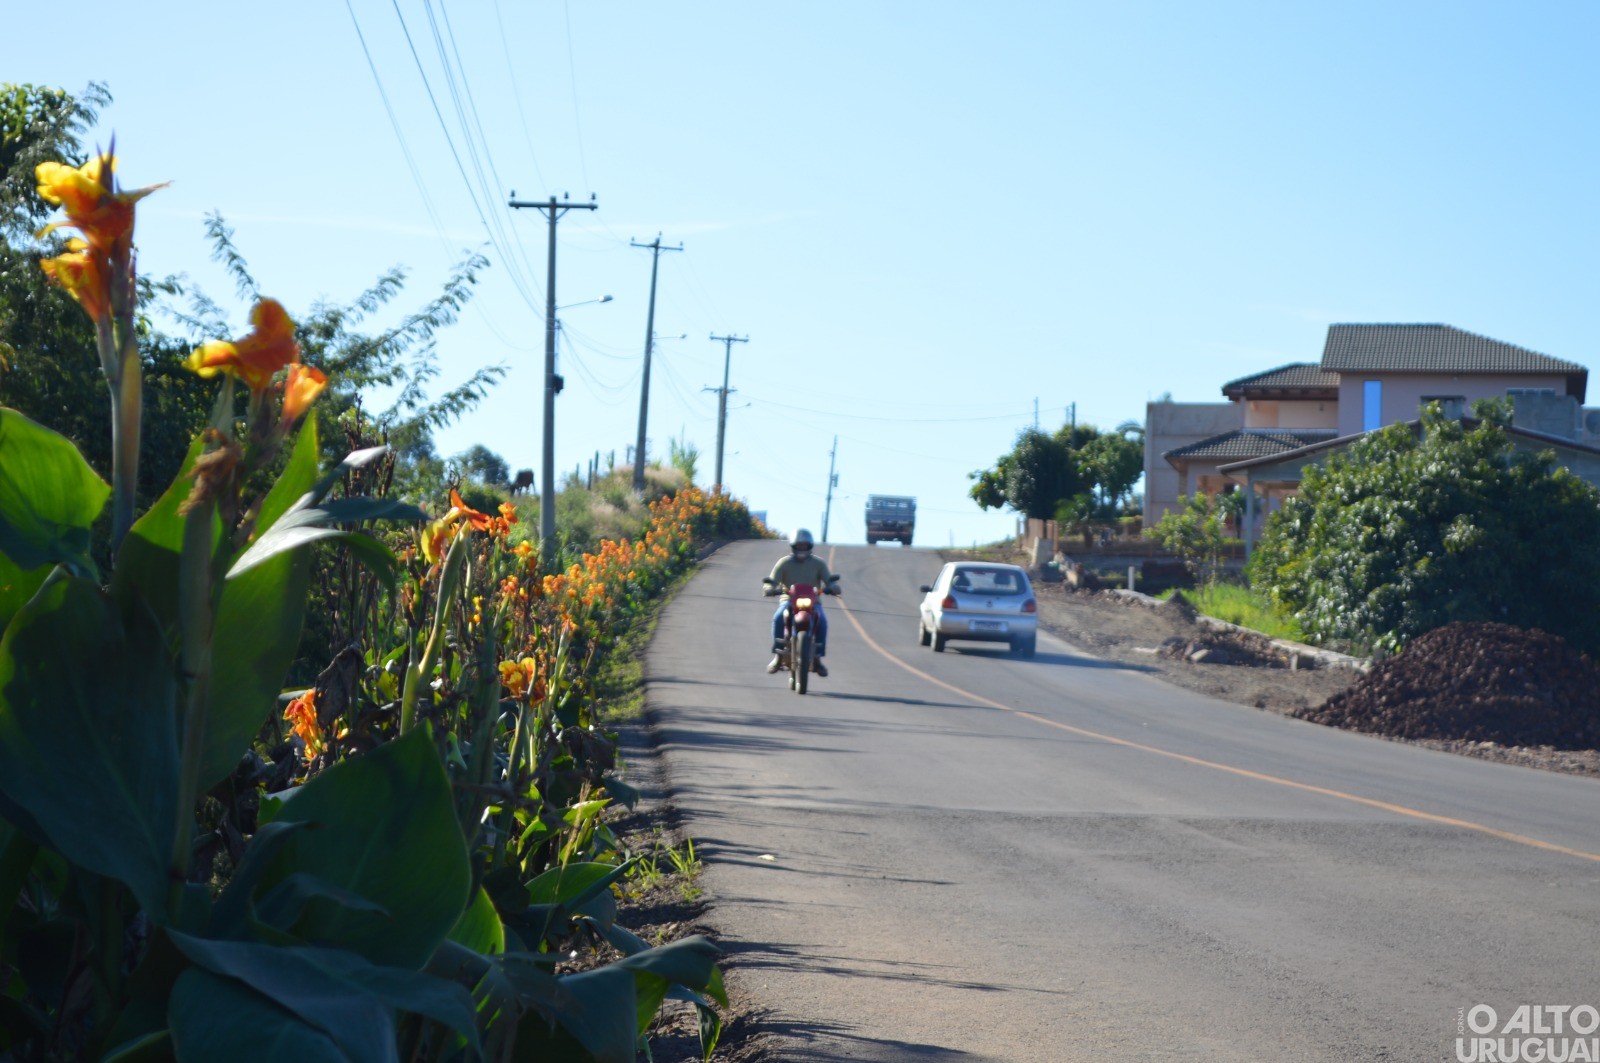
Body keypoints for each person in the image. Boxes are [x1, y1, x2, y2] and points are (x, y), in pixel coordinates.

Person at [764, 529, 839, 675]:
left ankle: (817, 659)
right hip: (789, 600)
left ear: (810, 546)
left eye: (805, 546)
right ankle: (778, 656)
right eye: (800, 545)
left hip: (813, 602)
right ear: (793, 546)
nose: (802, 548)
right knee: (779, 617)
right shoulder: (784, 563)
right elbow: (772, 580)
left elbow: (829, 579)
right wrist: (769, 588)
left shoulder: (818, 563)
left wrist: (833, 587)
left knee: (822, 621)